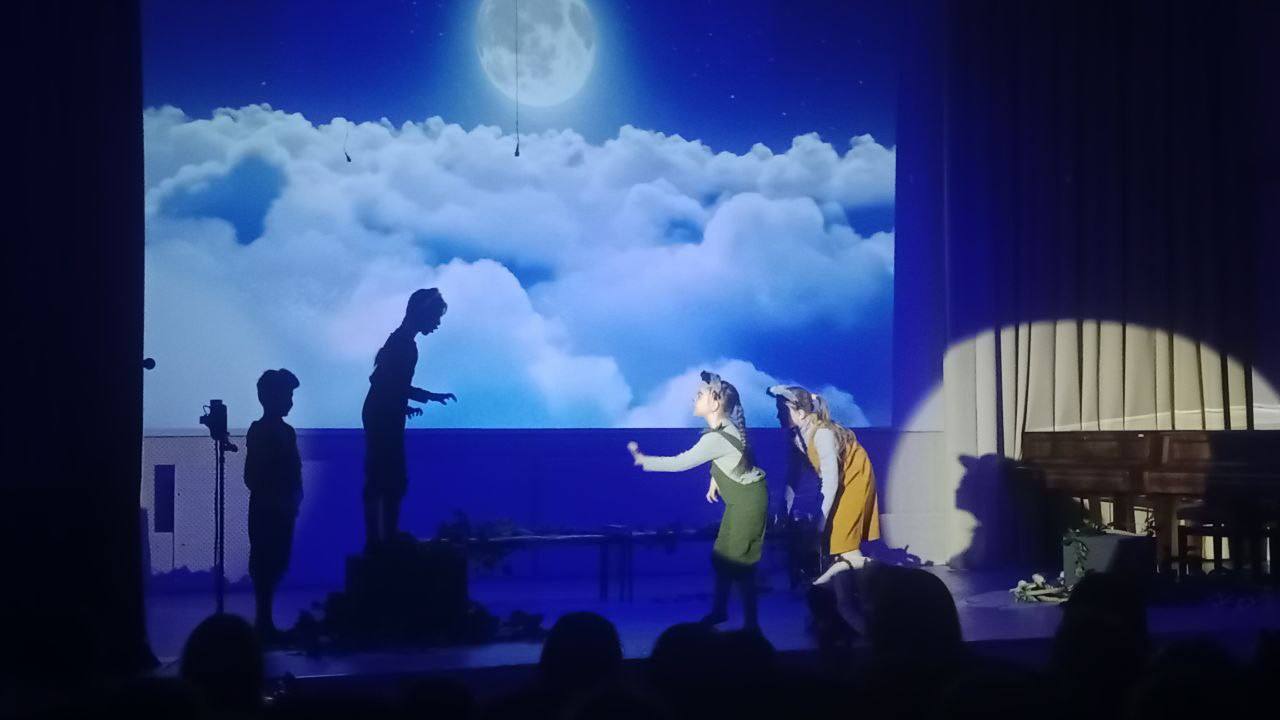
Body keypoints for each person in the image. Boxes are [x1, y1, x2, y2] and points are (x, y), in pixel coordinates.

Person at [629, 371, 768, 631]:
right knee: (723, 557)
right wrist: (715, 480)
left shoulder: (715, 437)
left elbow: (681, 462)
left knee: (740, 564)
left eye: (700, 394)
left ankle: (752, 626)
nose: (695, 397)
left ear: (715, 403)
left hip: (747, 503)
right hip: (742, 501)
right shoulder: (722, 430)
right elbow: (732, 457)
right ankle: (720, 611)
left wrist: (644, 460)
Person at [362, 288, 455, 550]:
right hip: (382, 416)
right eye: (435, 317)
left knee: (388, 476)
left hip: (385, 412)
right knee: (387, 476)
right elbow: (385, 382)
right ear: (422, 314)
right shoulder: (403, 344)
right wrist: (427, 396)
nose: (437, 324)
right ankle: (381, 539)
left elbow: (386, 383)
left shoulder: (401, 341)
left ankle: (383, 536)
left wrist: (403, 406)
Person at [768, 385, 880, 585]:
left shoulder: (822, 434)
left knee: (842, 540)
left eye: (782, 410)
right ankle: (844, 588)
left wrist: (820, 524)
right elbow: (793, 477)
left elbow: (830, 482)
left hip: (854, 476)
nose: (778, 415)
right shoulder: (796, 437)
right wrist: (783, 511)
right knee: (832, 540)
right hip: (838, 479)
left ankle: (871, 574)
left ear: (801, 413)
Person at [244, 368, 302, 640]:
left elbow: (294, 470)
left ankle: (265, 621)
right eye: (287, 395)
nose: (290, 401)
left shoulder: (286, 432)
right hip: (268, 508)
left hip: (281, 507)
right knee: (266, 563)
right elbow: (254, 475)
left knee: (276, 561)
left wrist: (293, 497)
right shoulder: (261, 431)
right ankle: (263, 621)